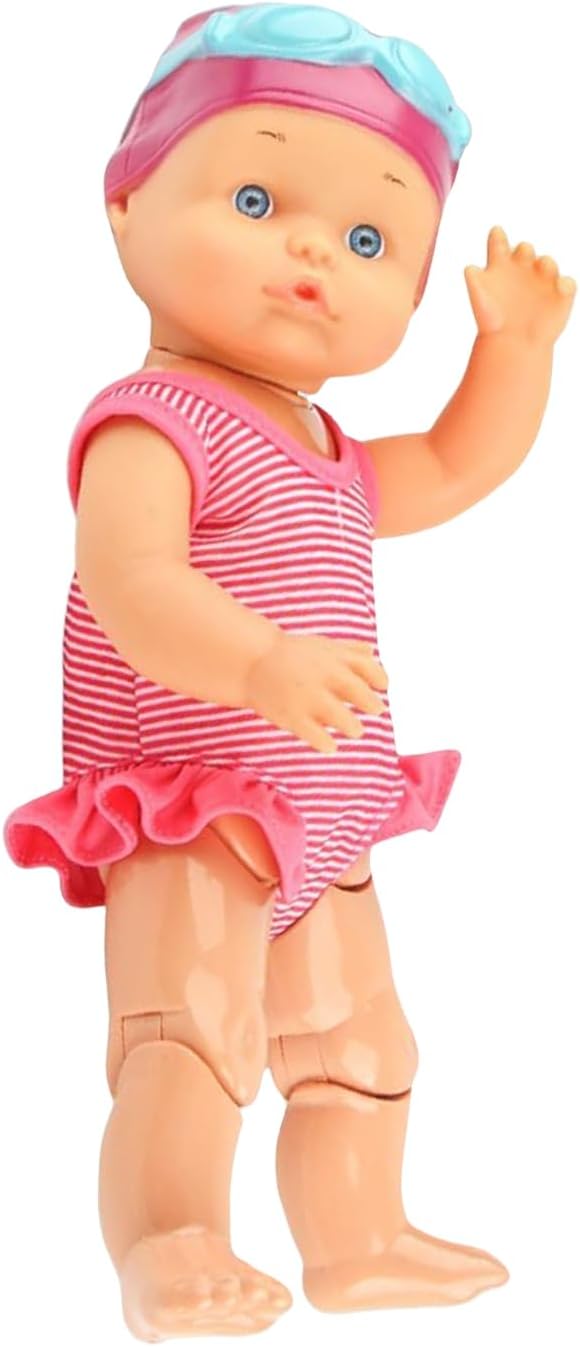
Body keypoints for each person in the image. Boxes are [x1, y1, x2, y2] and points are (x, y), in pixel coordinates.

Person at [3, 4, 576, 1339]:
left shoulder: (327, 449)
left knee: (358, 1043)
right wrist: (259, 661)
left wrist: (516, 354)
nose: (316, 251)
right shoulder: (153, 423)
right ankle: (174, 1242)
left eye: (372, 241)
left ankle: (358, 1236)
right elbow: (133, 582)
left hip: (325, 809)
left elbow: (451, 467)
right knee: (193, 1034)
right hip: (195, 803)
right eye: (257, 200)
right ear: (126, 202)